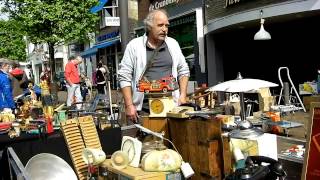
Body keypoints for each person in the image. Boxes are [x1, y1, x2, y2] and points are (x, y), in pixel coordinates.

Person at [118, 9, 190, 122]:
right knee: (146, 139)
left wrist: (183, 95)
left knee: (170, 140)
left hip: (172, 108)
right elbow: (124, 76)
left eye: (166, 26)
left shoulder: (173, 44)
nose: (164, 29)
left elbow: (183, 70)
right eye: (160, 25)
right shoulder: (134, 46)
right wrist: (129, 105)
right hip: (143, 110)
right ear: (149, 26)